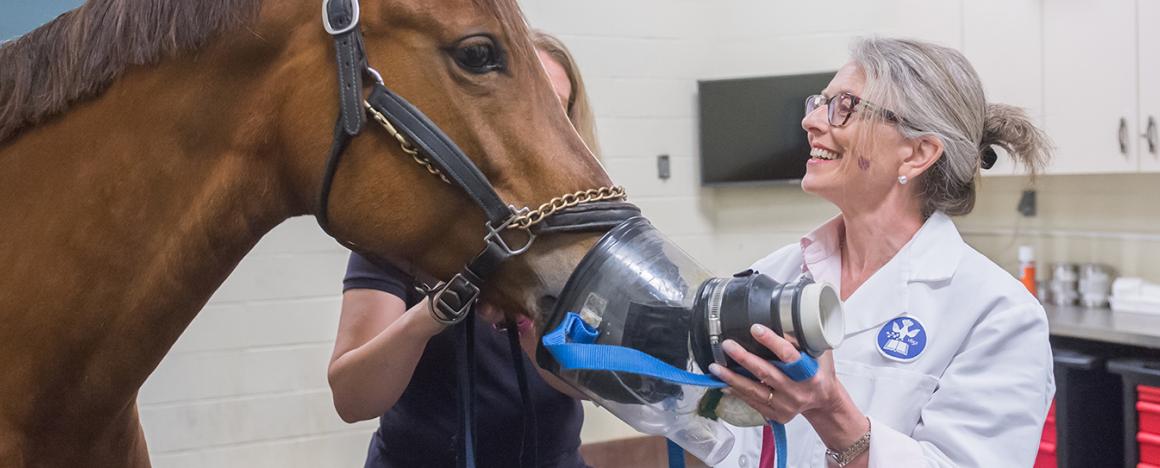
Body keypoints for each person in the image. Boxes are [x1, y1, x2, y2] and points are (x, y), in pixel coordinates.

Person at [709, 38, 1056, 467]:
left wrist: (829, 410)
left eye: (845, 106)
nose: (811, 122)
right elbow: (725, 439)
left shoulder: (999, 314)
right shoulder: (774, 274)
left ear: (917, 153)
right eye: (821, 102)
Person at [327, 31, 600, 468]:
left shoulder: (579, 232)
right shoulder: (404, 227)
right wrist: (432, 315)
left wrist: (534, 333)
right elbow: (353, 398)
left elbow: (597, 385)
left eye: (556, 110)